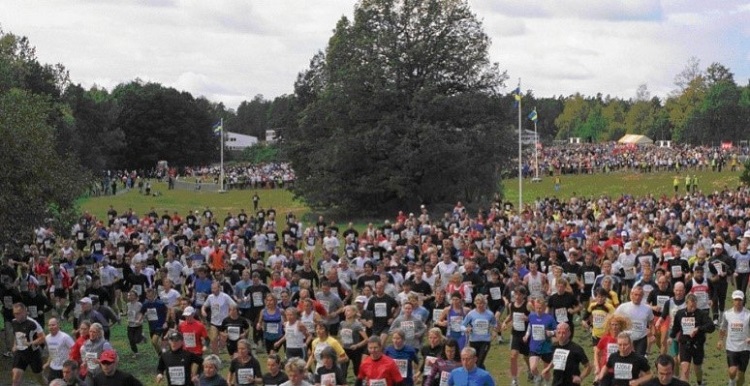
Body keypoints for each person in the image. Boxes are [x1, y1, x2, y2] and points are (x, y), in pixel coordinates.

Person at [669, 293, 715, 385]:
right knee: (685, 369)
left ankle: (700, 382)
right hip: (684, 344)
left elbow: (711, 327)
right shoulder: (680, 313)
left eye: (695, 305)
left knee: (697, 369)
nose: (693, 307)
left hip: (697, 345)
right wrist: (671, 337)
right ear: (686, 303)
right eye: (691, 305)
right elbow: (676, 327)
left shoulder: (701, 314)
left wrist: (698, 329)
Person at [718, 290, 750, 386]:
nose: (738, 302)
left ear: (743, 300)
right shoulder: (727, 314)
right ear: (732, 300)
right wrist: (720, 340)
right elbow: (723, 328)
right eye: (736, 299)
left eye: (740, 300)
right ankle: (731, 381)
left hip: (745, 348)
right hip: (731, 347)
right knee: (732, 371)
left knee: (741, 376)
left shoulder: (748, 314)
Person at [10, 303, 46, 386]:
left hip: (33, 354)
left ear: (24, 312)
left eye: (18, 313)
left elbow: (43, 338)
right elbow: (16, 335)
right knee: (15, 379)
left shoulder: (33, 323)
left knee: (40, 378)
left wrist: (31, 343)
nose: (16, 315)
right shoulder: (14, 322)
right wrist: (15, 345)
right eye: (14, 313)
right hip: (20, 353)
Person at [524, 297, 556, 386]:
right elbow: (530, 326)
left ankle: (547, 383)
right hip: (534, 347)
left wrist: (551, 332)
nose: (538, 309)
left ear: (545, 307)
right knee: (533, 368)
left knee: (546, 371)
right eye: (537, 307)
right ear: (534, 306)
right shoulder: (531, 316)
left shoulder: (549, 318)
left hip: (546, 348)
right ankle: (538, 377)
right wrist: (526, 335)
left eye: (540, 308)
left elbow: (557, 330)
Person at [614, 286, 654, 356]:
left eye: (640, 295)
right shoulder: (623, 307)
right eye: (636, 295)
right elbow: (614, 319)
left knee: (639, 359)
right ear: (631, 294)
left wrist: (651, 334)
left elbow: (651, 321)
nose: (637, 297)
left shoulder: (647, 308)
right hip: (626, 338)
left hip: (641, 338)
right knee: (625, 358)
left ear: (643, 296)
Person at [461, 294, 497, 370]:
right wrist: (466, 329)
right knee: (475, 362)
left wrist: (494, 331)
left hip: (485, 341)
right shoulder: (471, 314)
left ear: (485, 303)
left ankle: (479, 377)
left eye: (481, 303)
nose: (480, 305)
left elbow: (494, 324)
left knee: (480, 361)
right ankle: (484, 376)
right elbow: (462, 326)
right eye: (478, 303)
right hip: (473, 341)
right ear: (475, 303)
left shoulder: (490, 314)